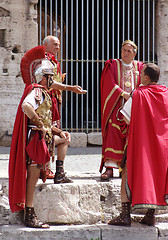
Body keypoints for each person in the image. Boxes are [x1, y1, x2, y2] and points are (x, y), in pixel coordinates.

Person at [8, 45, 85, 228]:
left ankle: (57, 174)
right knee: (32, 178)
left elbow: (46, 119)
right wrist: (39, 122)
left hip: (43, 138)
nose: (53, 81)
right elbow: (26, 107)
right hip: (35, 139)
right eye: (51, 77)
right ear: (44, 77)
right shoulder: (36, 91)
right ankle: (29, 215)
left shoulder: (44, 93)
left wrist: (58, 131)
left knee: (36, 173)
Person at [108, 63, 168, 226]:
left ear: (146, 77)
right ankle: (150, 215)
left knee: (126, 174)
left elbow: (125, 117)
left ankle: (125, 215)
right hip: (162, 147)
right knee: (158, 177)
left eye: (141, 74)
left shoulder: (139, 94)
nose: (139, 76)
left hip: (141, 145)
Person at [40, 35, 85, 183]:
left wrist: (60, 78)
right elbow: (49, 83)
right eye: (55, 45)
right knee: (47, 134)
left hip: (54, 101)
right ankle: (45, 169)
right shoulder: (44, 60)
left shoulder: (53, 61)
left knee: (55, 132)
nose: (58, 47)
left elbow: (54, 80)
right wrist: (69, 87)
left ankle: (54, 170)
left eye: (59, 45)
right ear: (45, 45)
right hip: (45, 102)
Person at [100, 40, 144, 180]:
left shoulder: (140, 66)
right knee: (113, 134)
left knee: (131, 136)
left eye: (129, 51)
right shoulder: (112, 65)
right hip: (116, 105)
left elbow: (144, 83)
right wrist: (122, 93)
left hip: (133, 106)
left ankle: (126, 167)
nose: (125, 53)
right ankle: (110, 167)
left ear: (134, 53)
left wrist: (135, 96)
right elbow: (108, 82)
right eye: (123, 50)